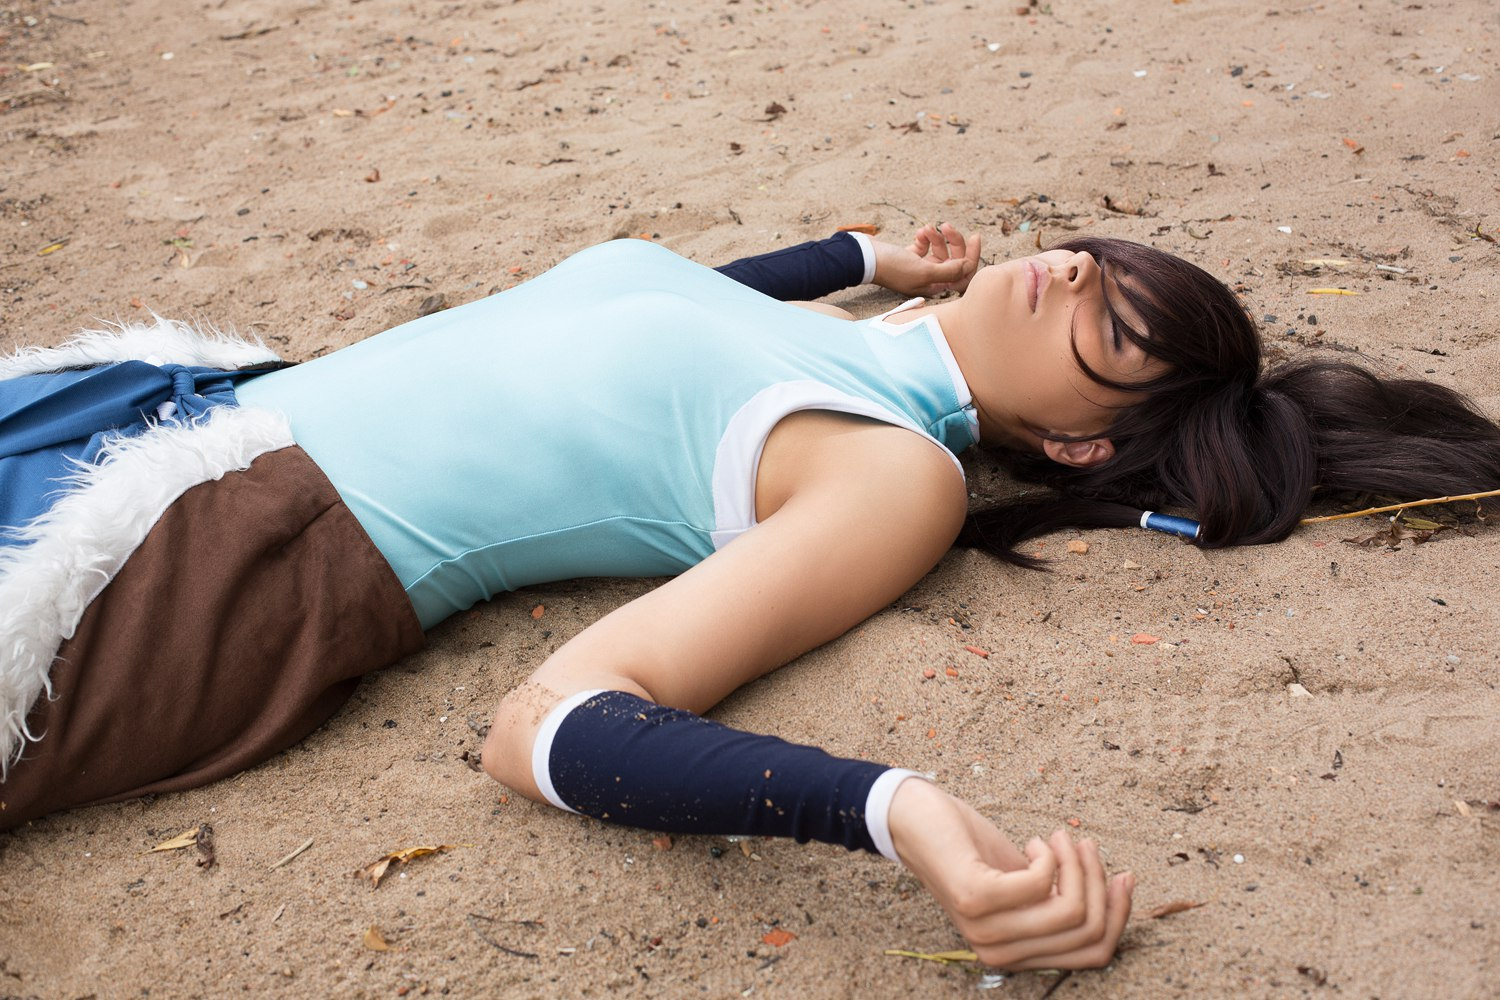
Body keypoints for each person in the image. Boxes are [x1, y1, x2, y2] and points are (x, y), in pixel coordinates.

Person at [3, 223, 1497, 972]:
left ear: (1082, 445)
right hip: (156, 414)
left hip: (210, 554)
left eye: (1112, 329)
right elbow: (628, 312)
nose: (1068, 274)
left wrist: (895, 811)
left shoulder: (893, 472)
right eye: (1099, 261)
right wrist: (853, 254)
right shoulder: (835, 337)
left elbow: (552, 724)